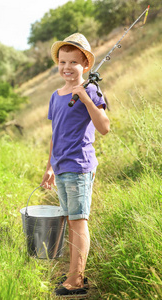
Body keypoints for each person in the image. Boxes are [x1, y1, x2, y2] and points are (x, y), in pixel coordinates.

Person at [40, 33, 110, 298]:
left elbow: (104, 127)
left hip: (79, 165)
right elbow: (55, 134)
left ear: (86, 66)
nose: (67, 67)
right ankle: (73, 272)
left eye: (73, 62)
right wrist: (48, 167)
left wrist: (85, 97)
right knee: (71, 221)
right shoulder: (56, 95)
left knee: (79, 222)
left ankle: (77, 281)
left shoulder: (91, 90)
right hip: (61, 166)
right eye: (62, 62)